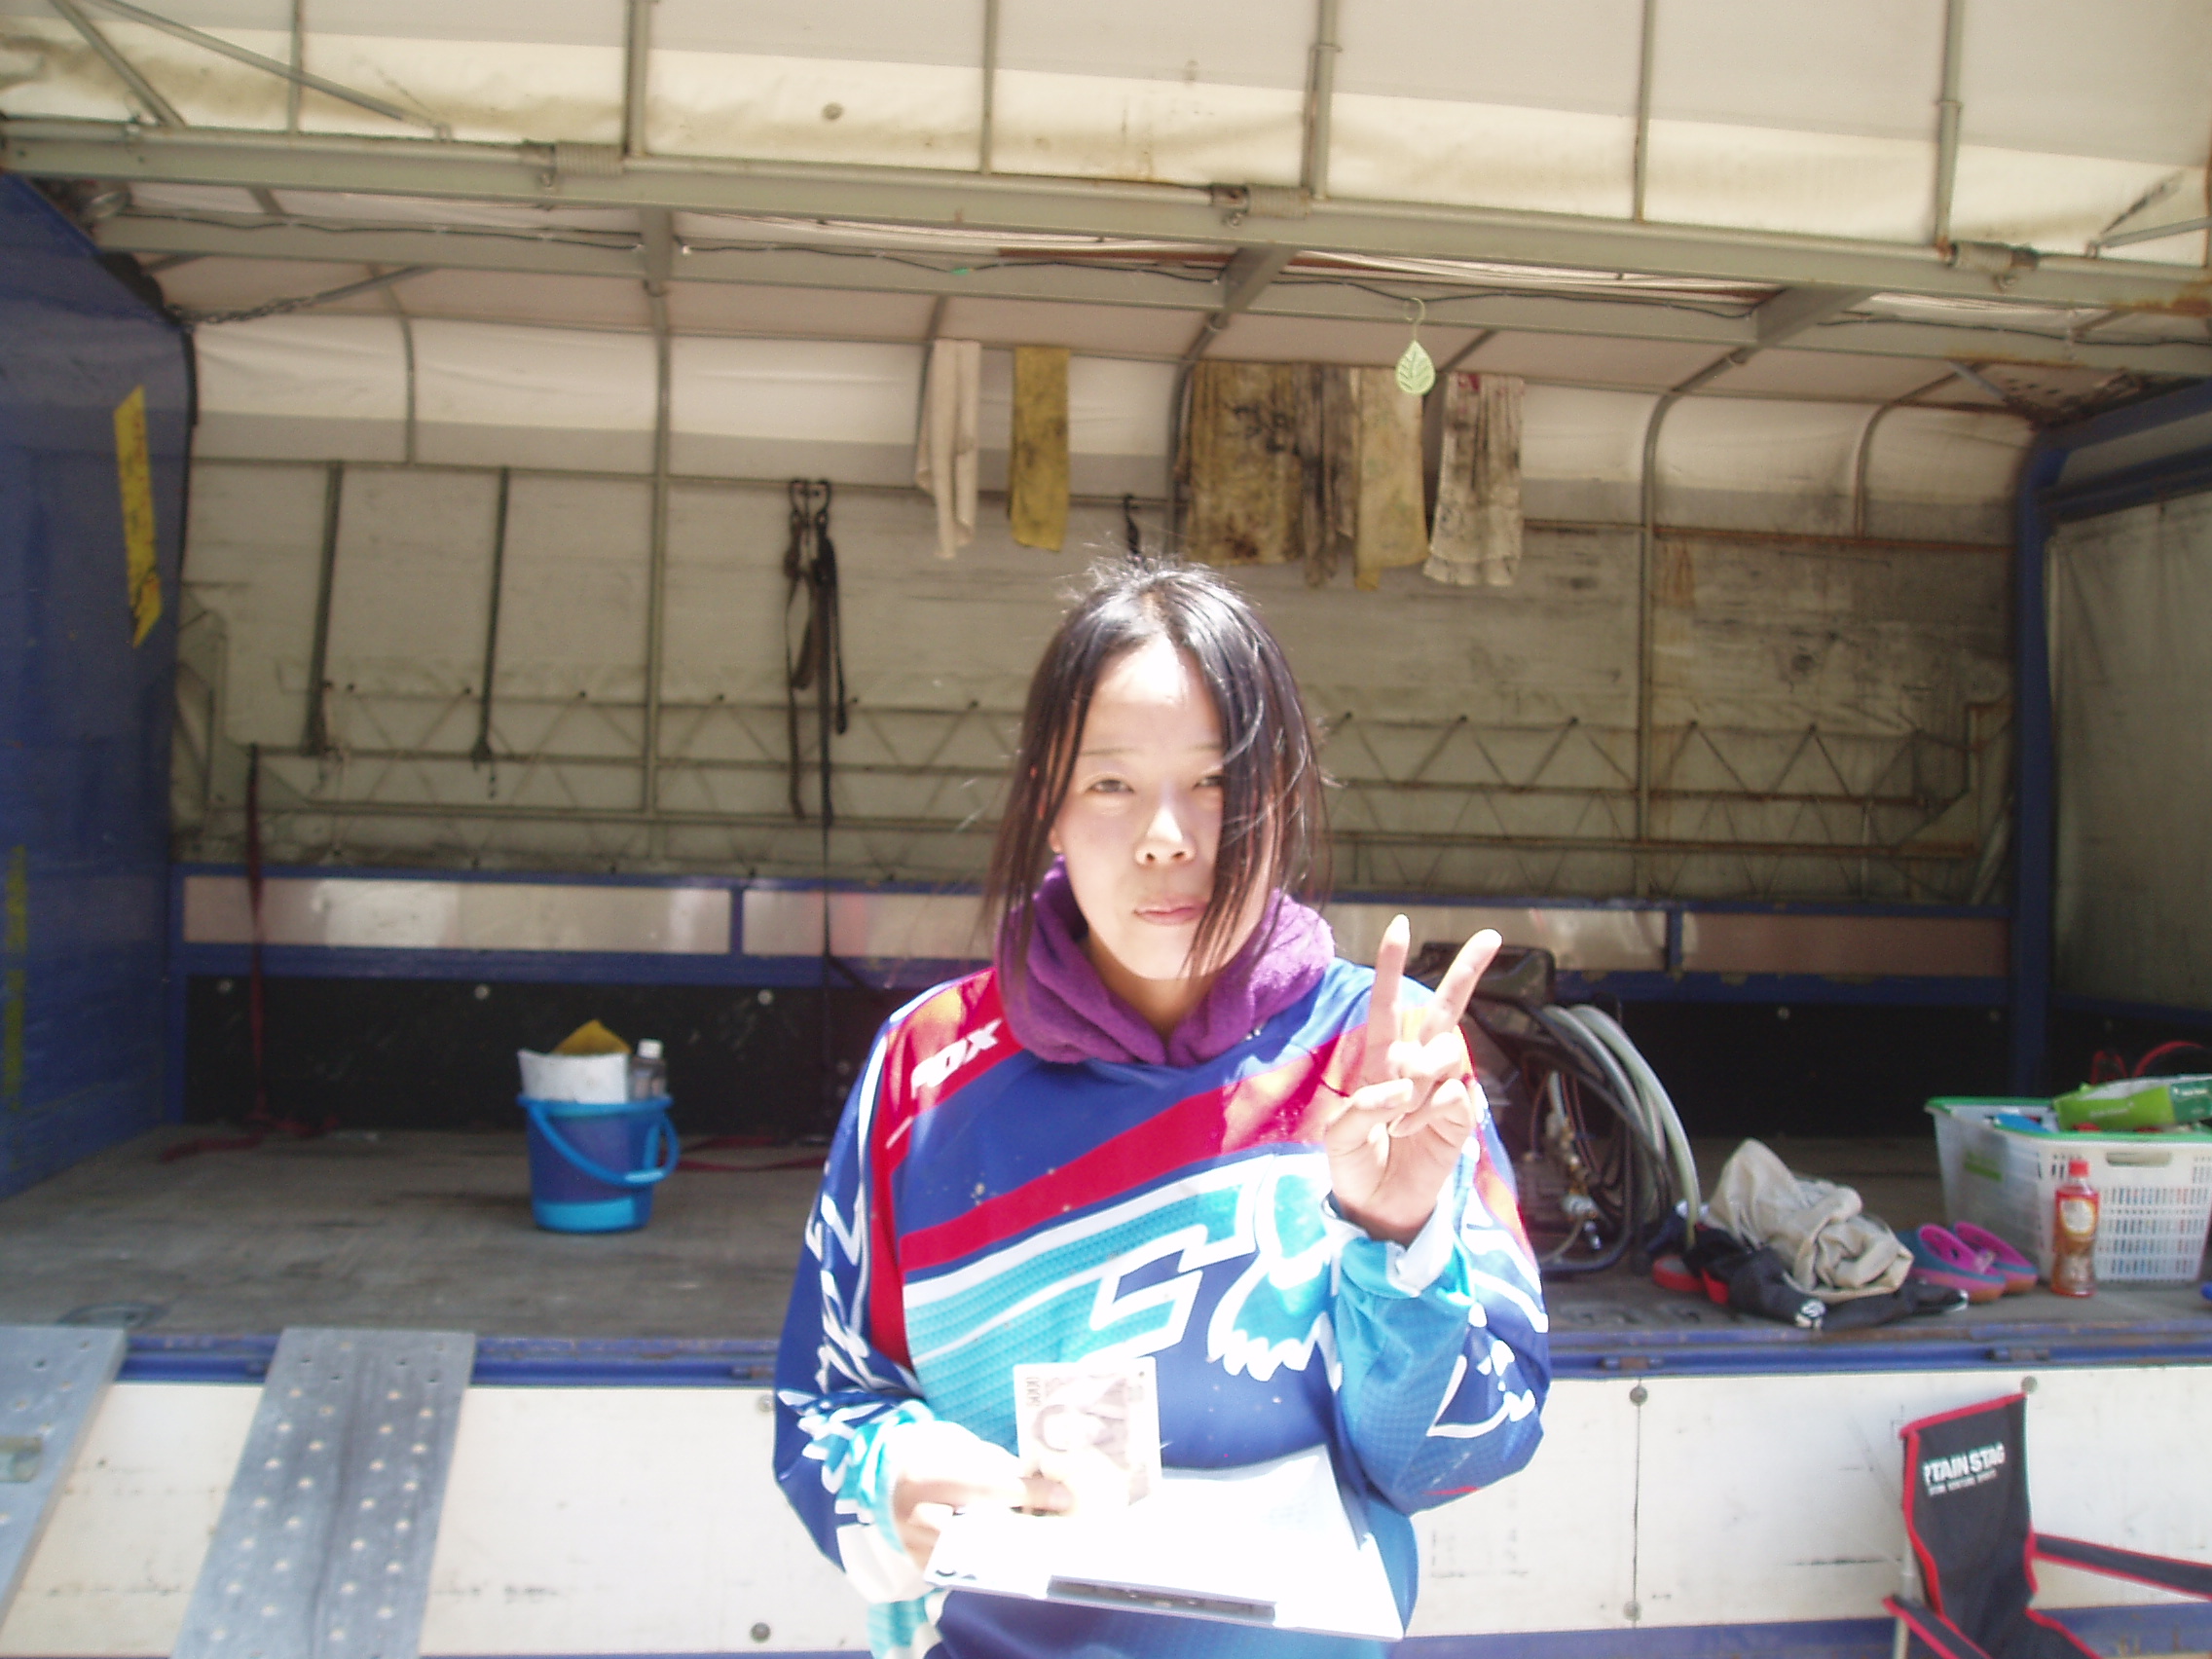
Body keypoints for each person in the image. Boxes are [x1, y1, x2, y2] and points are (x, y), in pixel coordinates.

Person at [773, 562, 1550, 1659]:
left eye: (1217, 783)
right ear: (1047, 803)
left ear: (1283, 799)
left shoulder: (1389, 1061)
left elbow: (1452, 1455)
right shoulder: (925, 1068)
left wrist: (1400, 1237)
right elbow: (825, 1407)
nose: (1166, 837)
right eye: (1110, 784)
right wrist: (889, 1477)